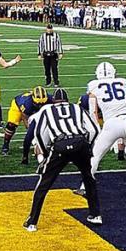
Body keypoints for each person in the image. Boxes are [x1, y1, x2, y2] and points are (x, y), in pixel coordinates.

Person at [23, 88, 101, 232]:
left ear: (53, 100)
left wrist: (46, 153)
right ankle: (95, 215)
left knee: (44, 183)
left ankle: (32, 222)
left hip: (60, 146)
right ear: (67, 100)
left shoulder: (48, 111)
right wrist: (87, 147)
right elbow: (94, 130)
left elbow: (39, 133)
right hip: (80, 144)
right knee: (89, 179)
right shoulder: (77, 108)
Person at [76, 62, 126, 196]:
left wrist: (97, 129)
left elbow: (93, 112)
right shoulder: (124, 83)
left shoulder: (93, 86)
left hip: (111, 124)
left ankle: (83, 187)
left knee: (96, 156)